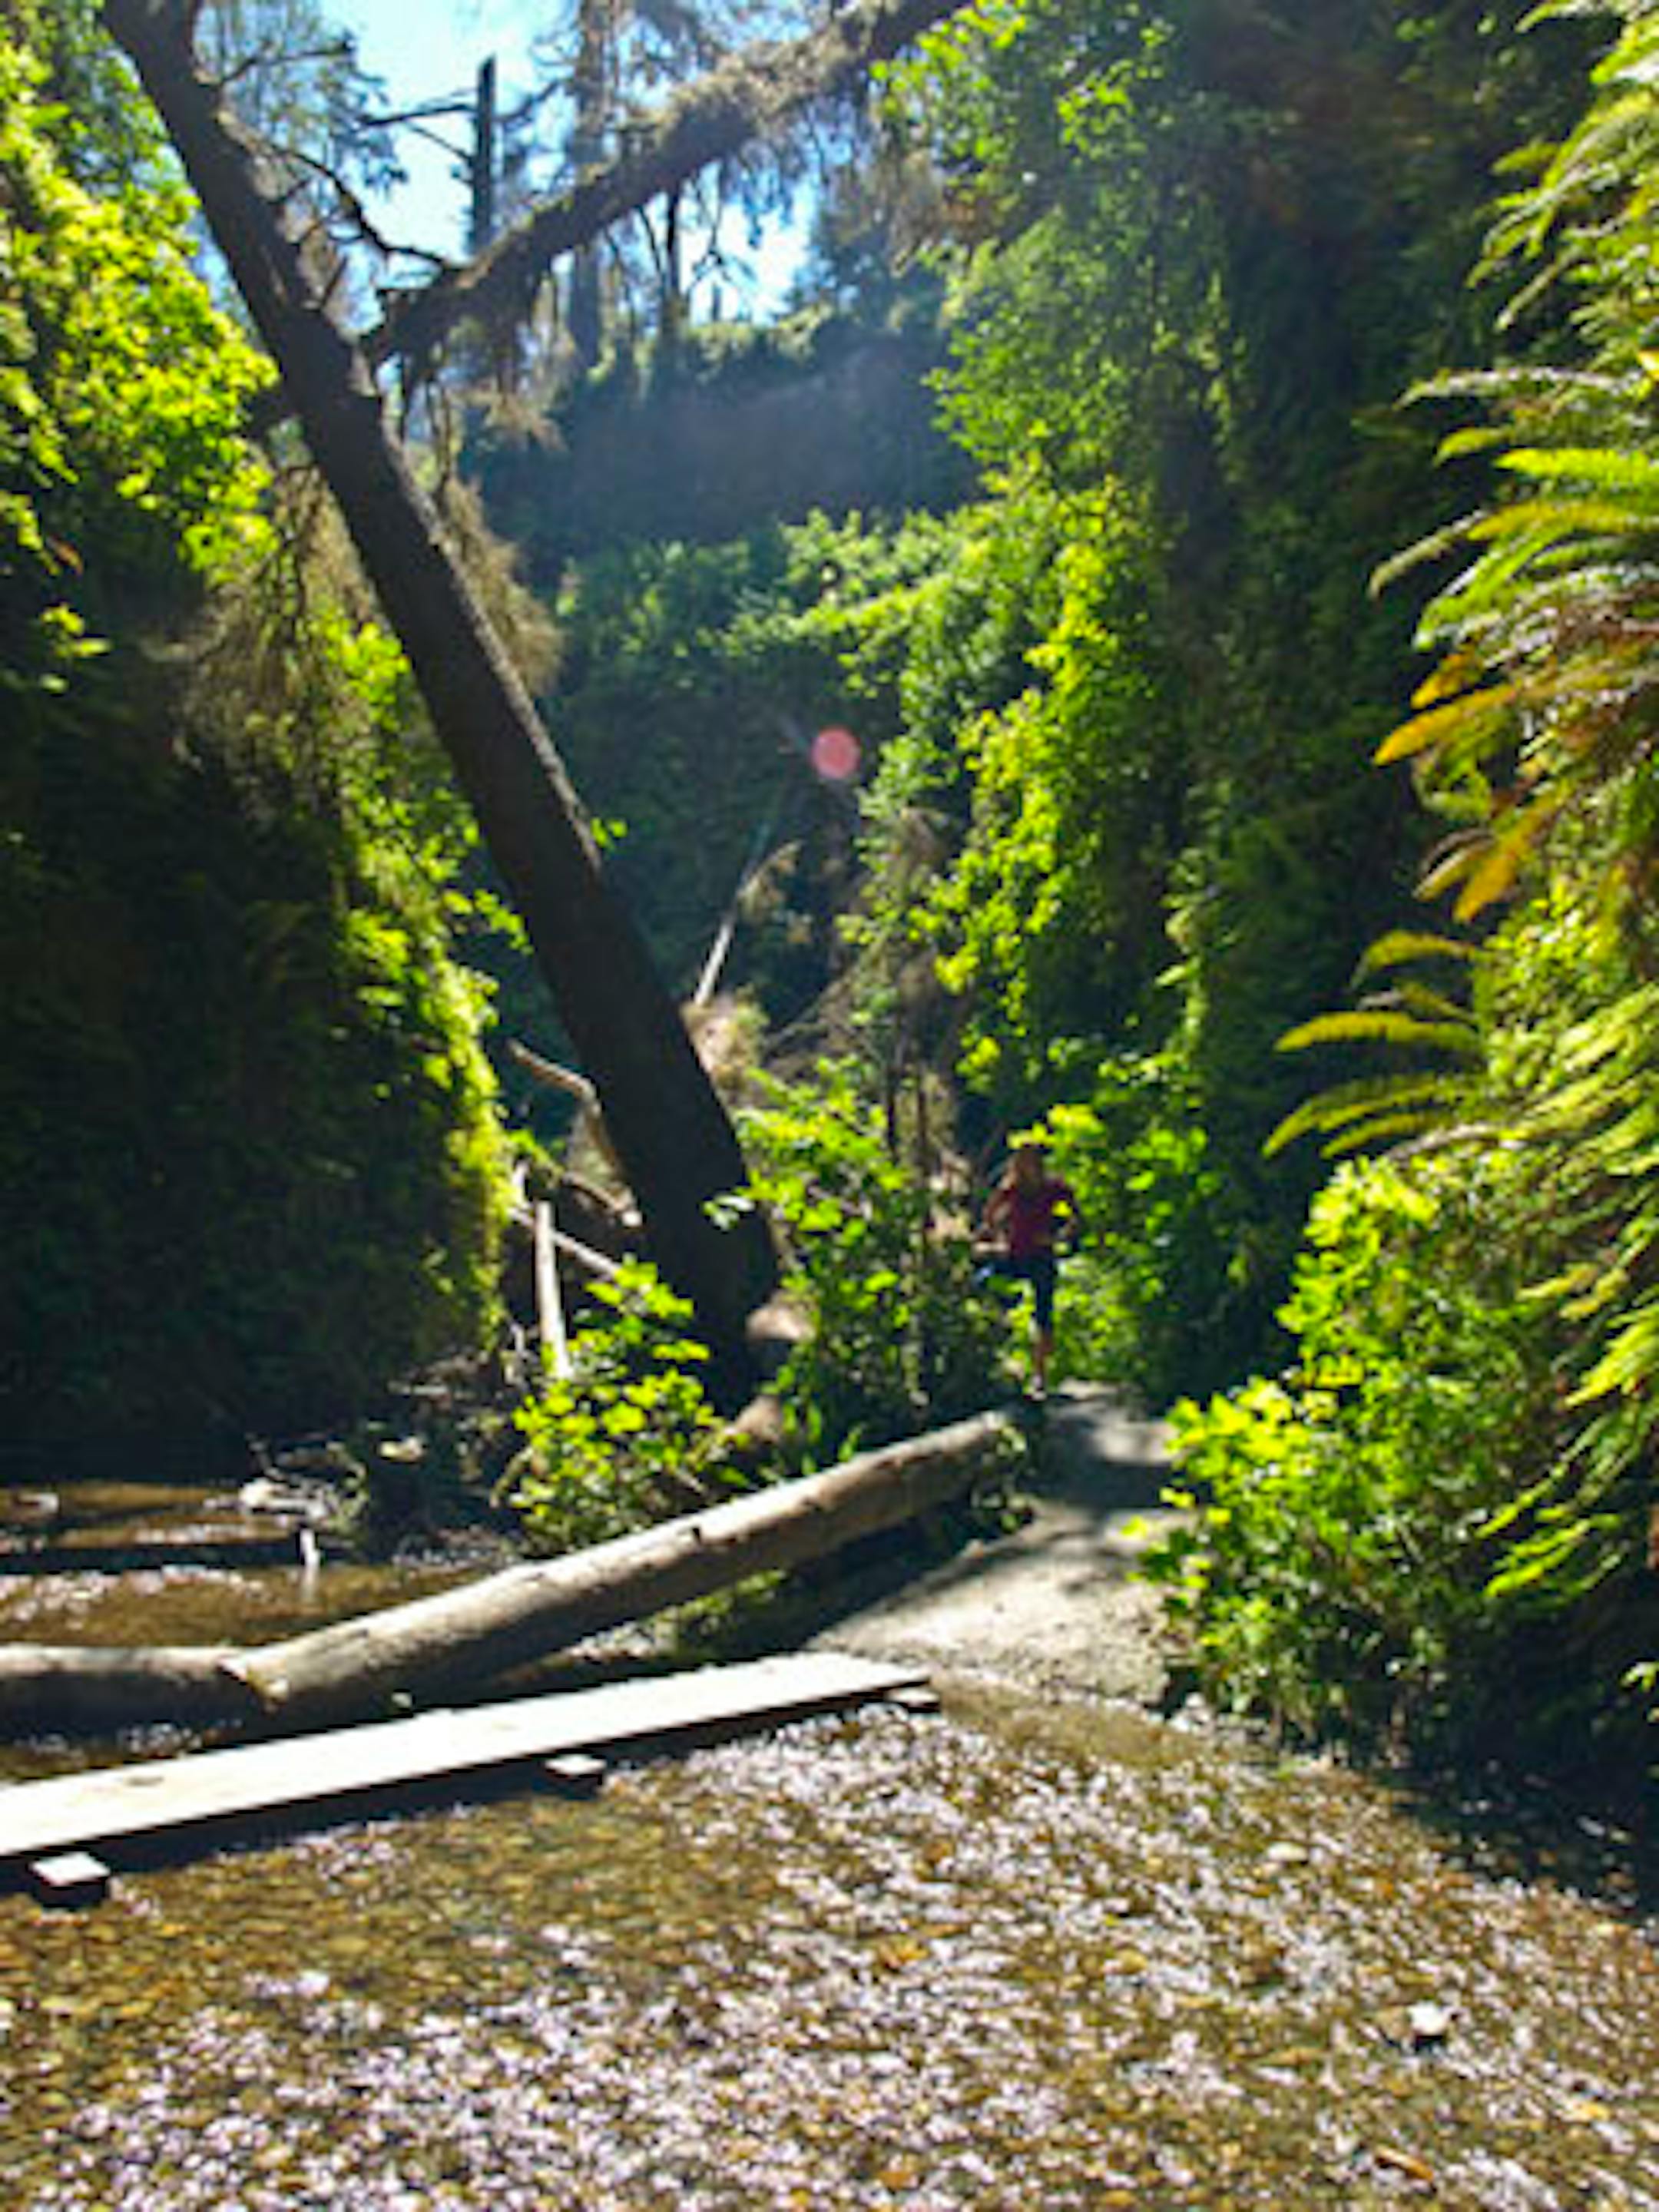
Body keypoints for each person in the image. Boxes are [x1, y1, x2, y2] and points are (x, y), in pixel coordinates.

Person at [978, 1142, 1082, 1398]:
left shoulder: (1053, 1188)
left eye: (1031, 1161)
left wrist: (1058, 1237)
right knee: (985, 1288)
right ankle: (1002, 1362)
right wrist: (996, 1237)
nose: (1027, 1167)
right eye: (1022, 1162)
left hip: (1042, 1257)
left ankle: (1040, 1376)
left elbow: (1076, 1217)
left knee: (1043, 1314)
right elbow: (989, 1214)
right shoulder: (1011, 1189)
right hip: (1015, 1255)